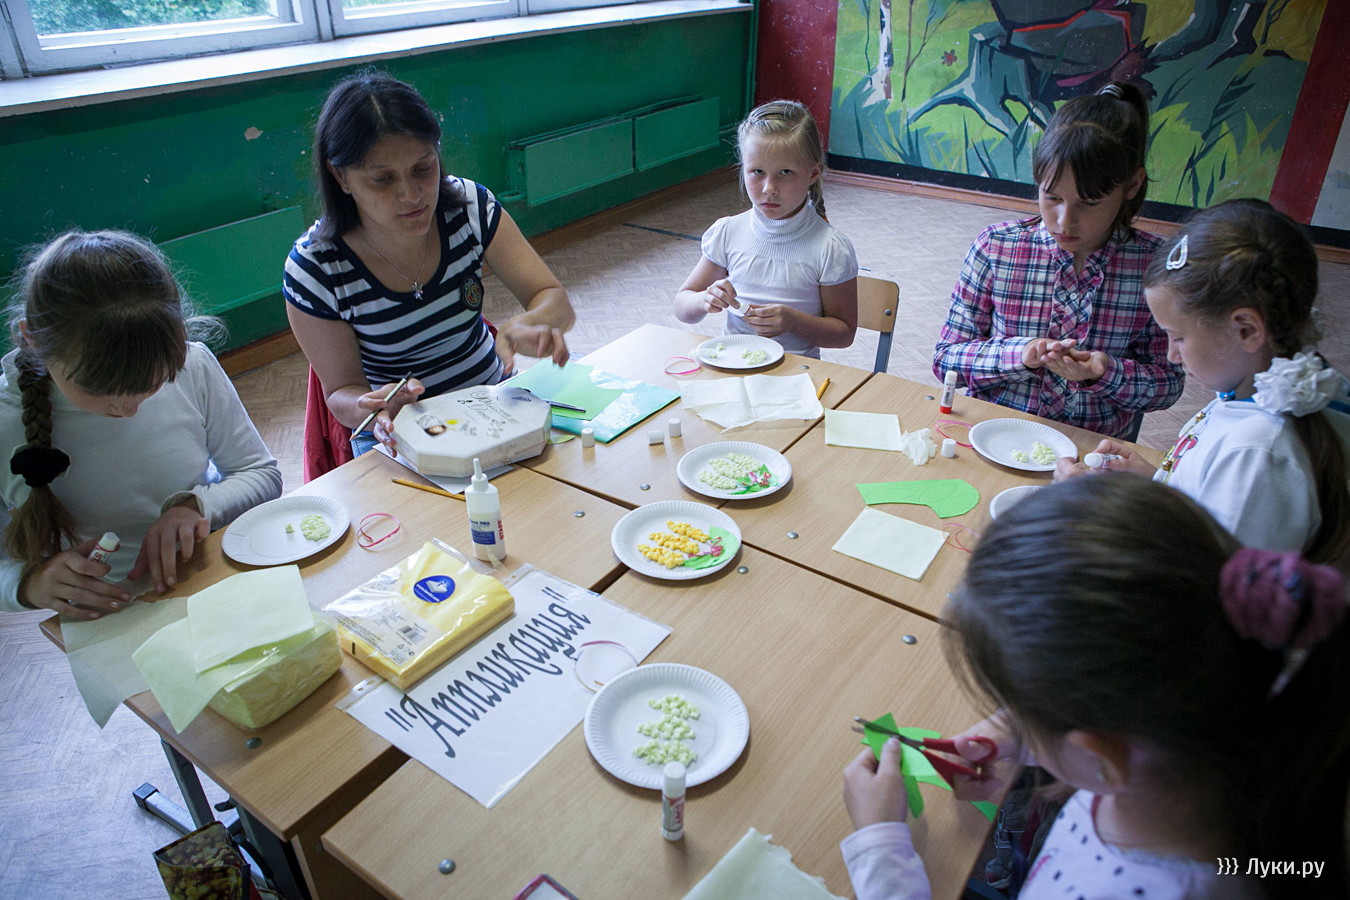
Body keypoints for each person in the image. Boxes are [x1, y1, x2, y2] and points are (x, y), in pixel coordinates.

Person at [841, 477, 1350, 900]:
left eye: (1018, 707)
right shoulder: (1232, 744)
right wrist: (1017, 731)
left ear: (1098, 755)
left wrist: (879, 849)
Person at [285, 71, 575, 456]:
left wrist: (527, 324)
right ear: (340, 176)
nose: (411, 195)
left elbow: (552, 297)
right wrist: (371, 405)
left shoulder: (469, 207)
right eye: (383, 179)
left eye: (423, 168)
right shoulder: (315, 268)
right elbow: (341, 392)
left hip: (492, 406)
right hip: (403, 436)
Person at [0, 230, 282, 618]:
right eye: (98, 389)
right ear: (31, 339)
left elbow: (260, 472)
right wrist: (28, 585)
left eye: (152, 384)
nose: (128, 409)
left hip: (210, 574)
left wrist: (197, 505)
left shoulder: (193, 364)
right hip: (108, 612)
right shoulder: (6, 420)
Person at [1056, 199, 1350, 563]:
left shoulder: (1259, 454)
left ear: (1246, 329)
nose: (1171, 355)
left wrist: (1095, 512)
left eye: (1178, 337)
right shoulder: (1276, 386)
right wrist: (1155, 482)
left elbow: (1209, 582)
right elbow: (1213, 512)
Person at [932, 82, 1183, 441]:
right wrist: (1021, 354)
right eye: (1052, 197)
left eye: (1089, 203)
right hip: (992, 437)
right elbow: (945, 360)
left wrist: (1104, 373)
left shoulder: (1155, 266)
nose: (1065, 222)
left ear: (1131, 185)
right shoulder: (996, 247)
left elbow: (1169, 384)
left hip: (1090, 451)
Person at [674, 99, 858, 359]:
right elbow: (682, 307)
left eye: (785, 172)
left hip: (797, 374)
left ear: (813, 173)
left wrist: (794, 322)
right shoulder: (728, 232)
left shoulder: (830, 247)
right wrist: (704, 299)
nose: (769, 188)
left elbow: (844, 334)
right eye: (757, 171)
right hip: (733, 366)